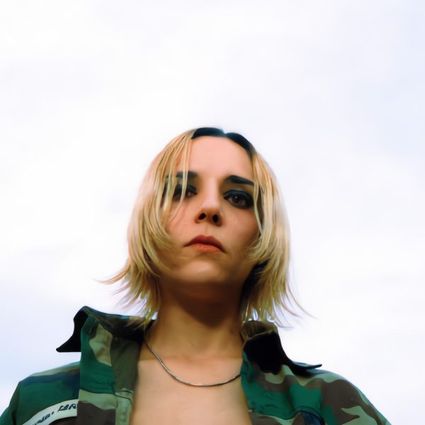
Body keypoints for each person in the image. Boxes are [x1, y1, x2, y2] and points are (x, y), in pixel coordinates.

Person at [0, 128, 390, 425]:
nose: (210, 207)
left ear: (263, 233)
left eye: (238, 197)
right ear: (151, 218)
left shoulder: (331, 406)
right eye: (183, 190)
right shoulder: (40, 403)